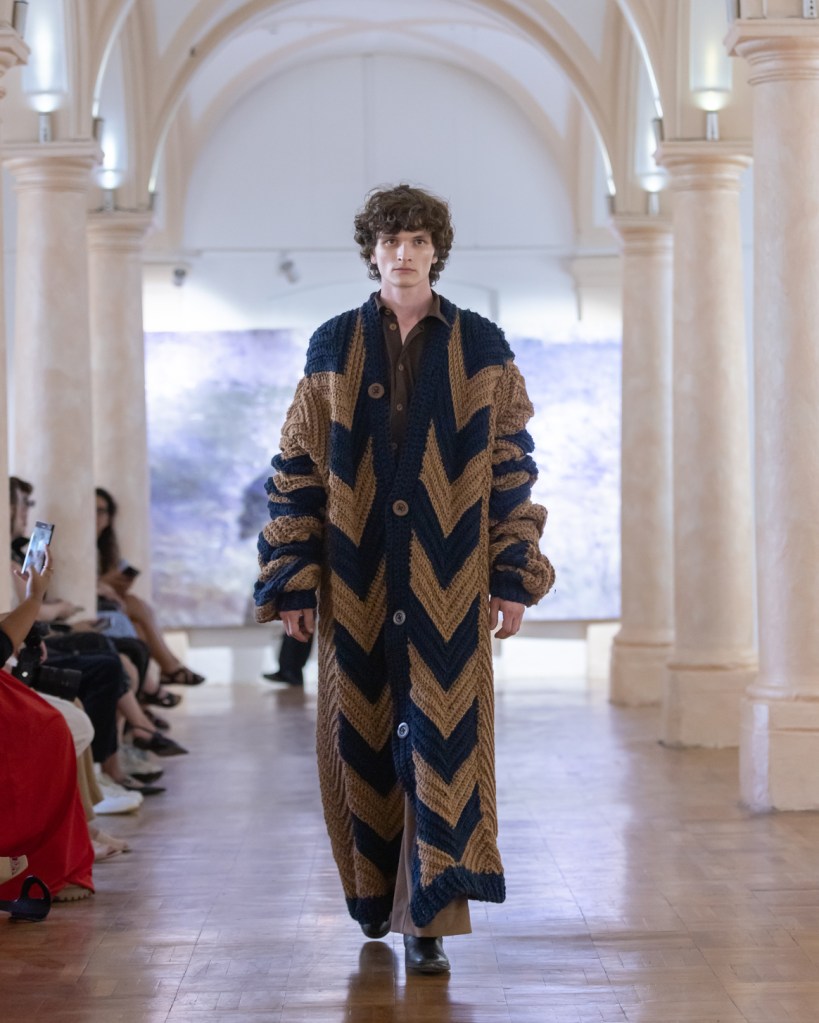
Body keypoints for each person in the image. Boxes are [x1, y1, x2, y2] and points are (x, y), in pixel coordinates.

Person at [254, 184, 555, 974]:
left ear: (435, 251)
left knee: (443, 740)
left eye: (418, 240)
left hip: (447, 582)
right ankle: (375, 893)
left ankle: (429, 918)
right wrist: (292, 579)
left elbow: (510, 464)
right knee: (359, 740)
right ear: (372, 251)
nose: (403, 252)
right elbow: (297, 462)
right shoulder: (333, 342)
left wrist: (511, 572)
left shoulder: (480, 343)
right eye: (390, 240)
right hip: (353, 580)